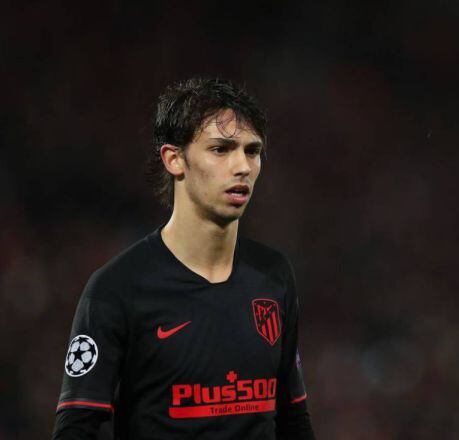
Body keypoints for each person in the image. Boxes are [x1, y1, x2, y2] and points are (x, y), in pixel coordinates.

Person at [52, 78, 316, 439]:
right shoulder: (116, 289)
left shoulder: (273, 275)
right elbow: (76, 430)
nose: (242, 166)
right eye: (221, 149)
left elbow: (293, 419)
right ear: (174, 159)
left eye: (252, 151)